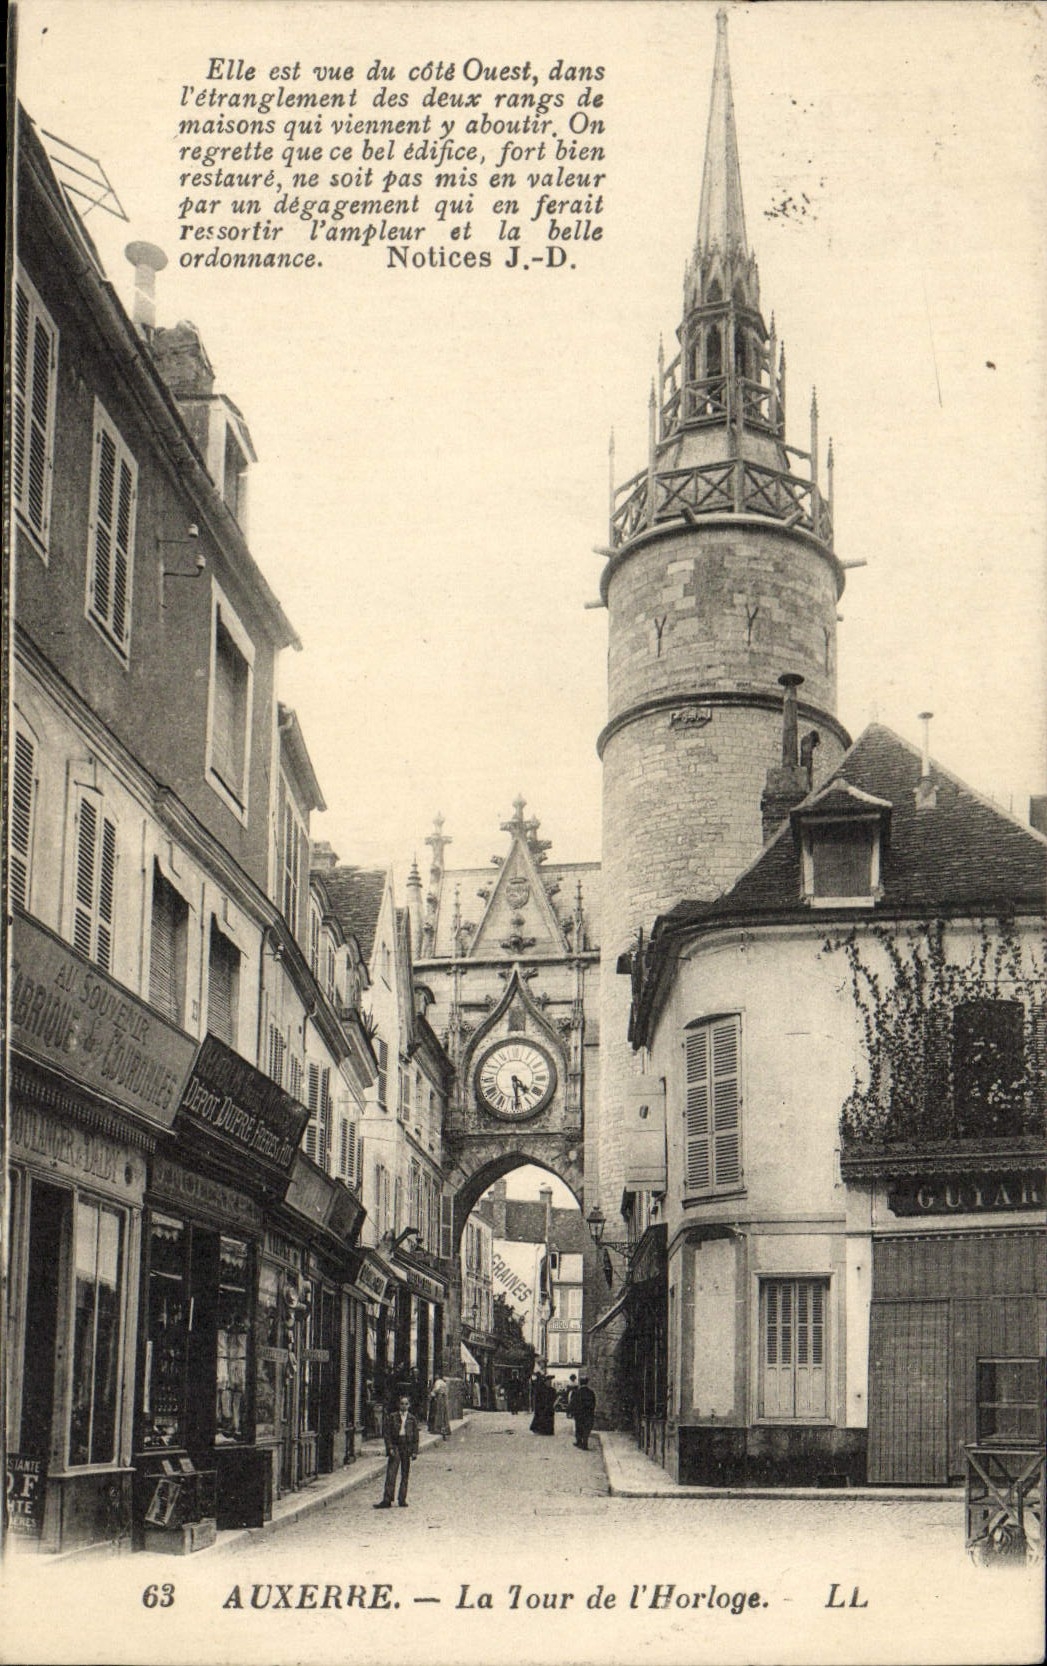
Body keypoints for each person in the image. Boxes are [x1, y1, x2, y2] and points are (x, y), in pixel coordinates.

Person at [374, 1391, 419, 1508]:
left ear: (409, 1405)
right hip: (396, 1445)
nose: (404, 1406)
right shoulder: (393, 1417)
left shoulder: (412, 1419)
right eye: (402, 1404)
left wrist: (414, 1451)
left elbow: (415, 1437)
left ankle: (402, 1499)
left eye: (406, 1404)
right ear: (399, 1405)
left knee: (405, 1474)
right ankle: (387, 1499)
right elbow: (387, 1434)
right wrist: (389, 1448)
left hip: (407, 1446)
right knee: (391, 1472)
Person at [572, 1374, 597, 1450]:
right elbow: (593, 1403)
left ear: (580, 1383)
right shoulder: (591, 1392)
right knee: (586, 1428)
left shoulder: (577, 1392)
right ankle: (585, 1443)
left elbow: (574, 1403)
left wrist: (573, 1412)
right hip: (588, 1414)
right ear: (587, 1383)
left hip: (579, 1414)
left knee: (579, 1428)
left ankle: (579, 1442)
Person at [529, 1372, 556, 1436]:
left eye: (550, 1381)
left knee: (548, 1419)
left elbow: (553, 1398)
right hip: (541, 1407)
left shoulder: (552, 1390)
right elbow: (537, 1399)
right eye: (548, 1381)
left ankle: (548, 1431)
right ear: (545, 1382)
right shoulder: (541, 1389)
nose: (550, 1383)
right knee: (541, 1418)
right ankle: (541, 1430)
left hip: (549, 1408)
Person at [427, 1375, 451, 1440]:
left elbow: (436, 1389)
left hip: (439, 1398)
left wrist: (431, 1394)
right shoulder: (444, 1383)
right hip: (444, 1399)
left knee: (438, 1413)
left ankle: (438, 1429)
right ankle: (445, 1429)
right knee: (443, 1414)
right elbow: (447, 1391)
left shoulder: (438, 1382)